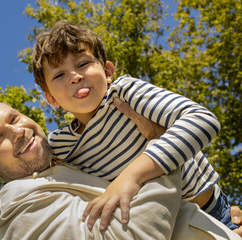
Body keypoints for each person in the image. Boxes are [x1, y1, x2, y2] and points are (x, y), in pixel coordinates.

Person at [31, 20, 238, 231]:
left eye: (82, 64)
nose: (75, 77)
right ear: (51, 98)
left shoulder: (125, 93)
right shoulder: (60, 144)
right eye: (59, 75)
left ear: (108, 71)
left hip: (211, 213)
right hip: (162, 231)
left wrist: (131, 177)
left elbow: (201, 119)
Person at [0, 101, 241, 239]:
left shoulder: (72, 158)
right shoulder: (14, 205)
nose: (17, 131)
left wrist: (218, 216)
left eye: (14, 117)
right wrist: (158, 148)